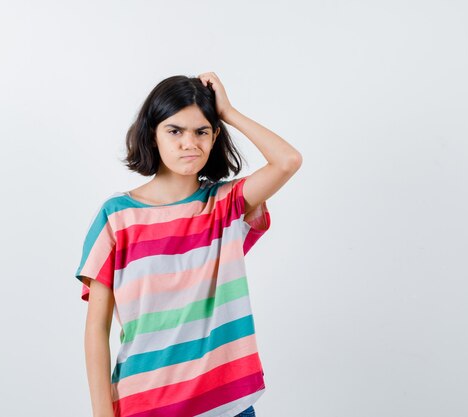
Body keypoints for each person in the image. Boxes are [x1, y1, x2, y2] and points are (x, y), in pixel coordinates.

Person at [74, 71, 302, 417]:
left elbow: (288, 161)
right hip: (146, 405)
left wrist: (228, 111)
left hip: (227, 406)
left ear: (215, 137)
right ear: (153, 134)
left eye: (201, 131)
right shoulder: (116, 217)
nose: (189, 143)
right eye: (175, 130)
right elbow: (96, 328)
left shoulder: (225, 205)